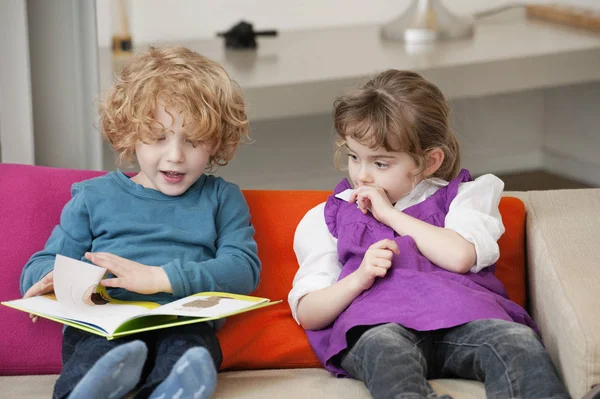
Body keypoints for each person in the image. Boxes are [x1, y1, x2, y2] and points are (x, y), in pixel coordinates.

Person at [288, 70, 569, 399]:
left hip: (466, 317)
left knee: (518, 343)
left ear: (430, 161)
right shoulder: (328, 216)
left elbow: (460, 256)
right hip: (379, 325)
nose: (361, 175)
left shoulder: (465, 196)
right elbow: (308, 312)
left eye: (380, 164)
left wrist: (390, 215)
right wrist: (358, 278)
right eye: (354, 157)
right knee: (385, 349)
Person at [20, 46, 260, 399]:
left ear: (216, 142)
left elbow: (243, 269)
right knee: (100, 350)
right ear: (131, 133)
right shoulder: (92, 198)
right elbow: (39, 264)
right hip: (106, 325)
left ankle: (171, 390)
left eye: (193, 141)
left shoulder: (222, 198)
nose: (175, 155)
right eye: (159, 137)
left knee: (191, 350)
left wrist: (158, 279)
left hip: (181, 321)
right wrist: (58, 278)